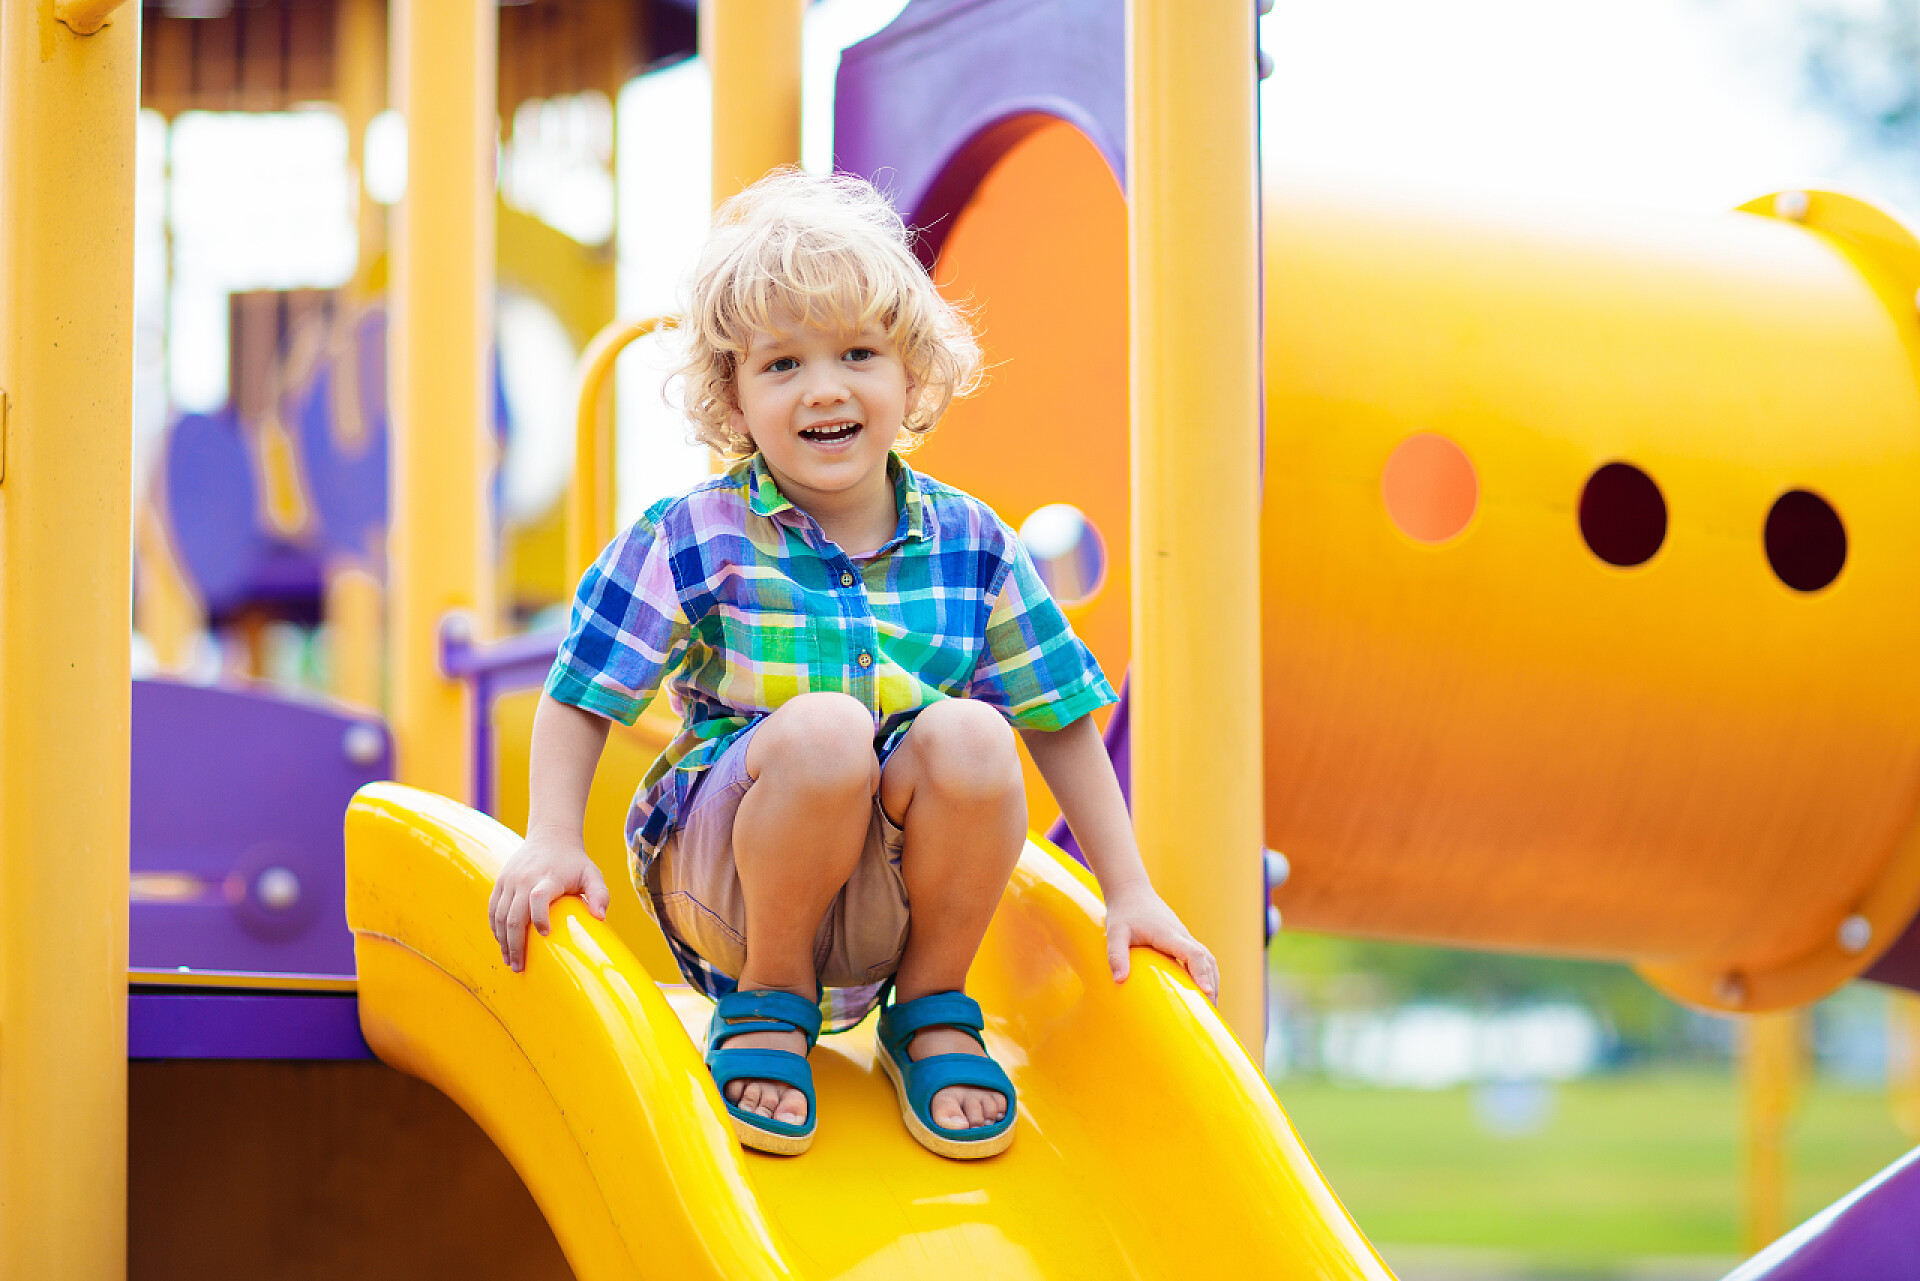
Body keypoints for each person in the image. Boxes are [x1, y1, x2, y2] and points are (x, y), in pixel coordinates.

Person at [488, 170, 1219, 1160]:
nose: (824, 386)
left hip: (883, 889)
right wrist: (549, 837)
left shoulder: (974, 545)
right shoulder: (697, 533)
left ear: (910, 377)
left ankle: (928, 1005)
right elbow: (584, 689)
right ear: (732, 399)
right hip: (731, 884)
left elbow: (1059, 712)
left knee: (973, 732)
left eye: (857, 354)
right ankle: (771, 999)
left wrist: (1127, 888)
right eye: (782, 364)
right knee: (828, 728)